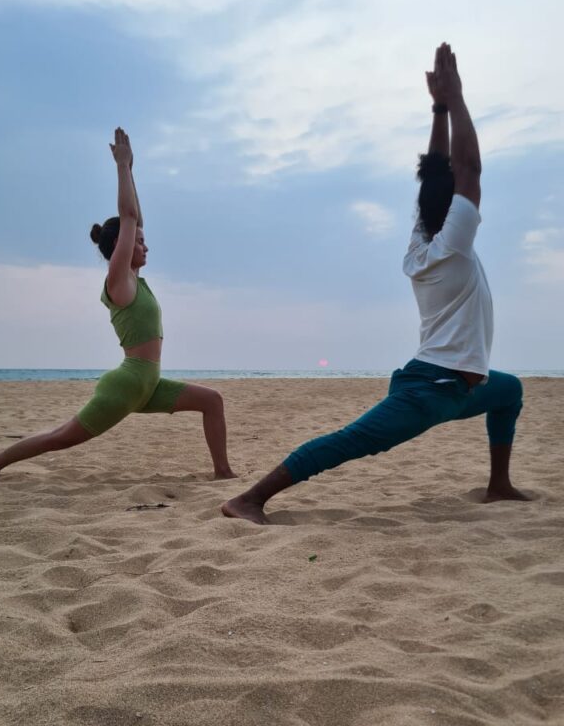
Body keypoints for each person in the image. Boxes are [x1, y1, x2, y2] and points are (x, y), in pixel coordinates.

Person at [222, 43, 528, 525]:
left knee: (510, 391)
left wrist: (439, 108)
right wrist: (459, 97)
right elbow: (469, 170)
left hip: (463, 385)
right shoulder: (452, 245)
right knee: (352, 442)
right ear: (454, 211)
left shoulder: (422, 242)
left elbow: (435, 174)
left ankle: (498, 485)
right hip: (430, 389)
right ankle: (249, 499)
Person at [0, 128, 235, 481]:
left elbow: (136, 219)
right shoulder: (118, 282)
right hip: (127, 384)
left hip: (149, 384)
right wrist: (121, 166)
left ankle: (223, 472)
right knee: (62, 437)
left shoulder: (136, 280)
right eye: (139, 242)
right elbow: (130, 217)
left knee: (212, 400)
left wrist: (132, 169)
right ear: (121, 244)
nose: (146, 246)